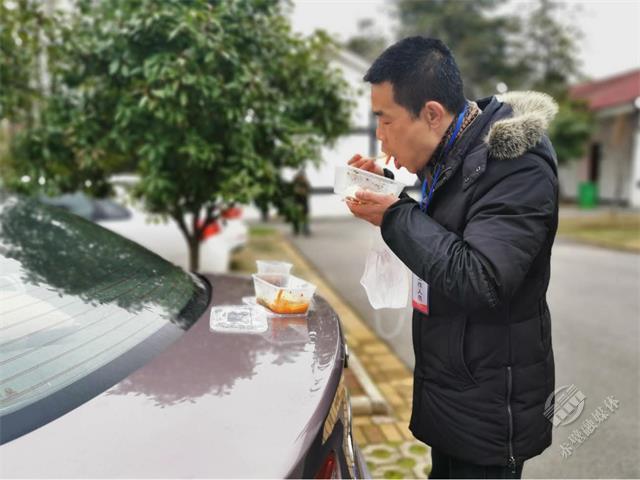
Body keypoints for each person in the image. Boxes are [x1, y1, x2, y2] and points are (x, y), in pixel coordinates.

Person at [346, 36, 558, 479]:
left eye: (386, 120)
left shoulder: (517, 164)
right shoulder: (453, 154)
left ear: (431, 114)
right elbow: (446, 230)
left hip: (489, 413)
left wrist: (395, 216)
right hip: (453, 396)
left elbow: (482, 279)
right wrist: (389, 189)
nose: (380, 135)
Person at [292, 169, 311, 236]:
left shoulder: (305, 182)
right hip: (297, 202)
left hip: (304, 202)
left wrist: (303, 191)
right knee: (296, 216)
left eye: (302, 176)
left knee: (304, 216)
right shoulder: (295, 182)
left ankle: (306, 230)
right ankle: (296, 230)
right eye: (301, 176)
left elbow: (308, 191)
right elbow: (293, 192)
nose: (302, 177)